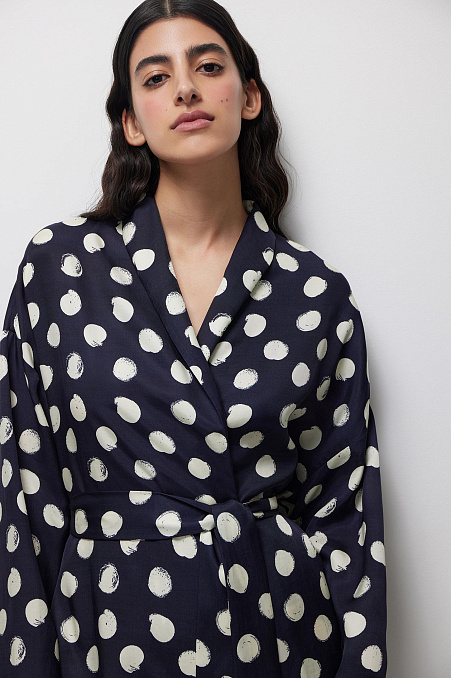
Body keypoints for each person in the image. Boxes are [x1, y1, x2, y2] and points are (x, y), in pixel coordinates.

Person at [0, 1, 386, 676]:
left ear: (248, 97)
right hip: (111, 633)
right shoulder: (62, 269)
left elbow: (347, 516)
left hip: (278, 637)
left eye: (208, 67)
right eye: (156, 78)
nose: (185, 88)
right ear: (132, 122)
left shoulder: (315, 294)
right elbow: (26, 500)